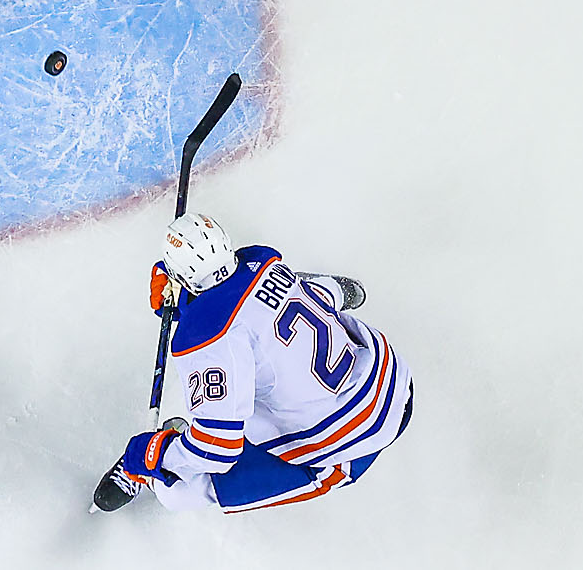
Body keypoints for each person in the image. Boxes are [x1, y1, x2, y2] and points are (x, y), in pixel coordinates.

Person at [94, 213, 413, 514]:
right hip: (392, 381)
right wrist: (185, 302)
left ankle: (153, 475)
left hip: (348, 449)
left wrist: (150, 456)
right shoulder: (264, 266)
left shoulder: (208, 337)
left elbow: (217, 448)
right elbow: (272, 301)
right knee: (269, 354)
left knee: (178, 493)